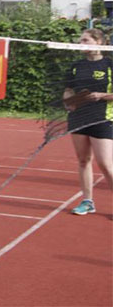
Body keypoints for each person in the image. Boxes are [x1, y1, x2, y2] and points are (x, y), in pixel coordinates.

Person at [62, 28, 113, 215]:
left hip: (103, 118)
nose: (81, 43)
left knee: (106, 164)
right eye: (80, 41)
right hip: (78, 118)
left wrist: (102, 95)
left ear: (98, 42)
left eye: (85, 40)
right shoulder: (76, 66)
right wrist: (69, 102)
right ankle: (87, 201)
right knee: (83, 160)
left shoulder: (110, 64)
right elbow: (68, 89)